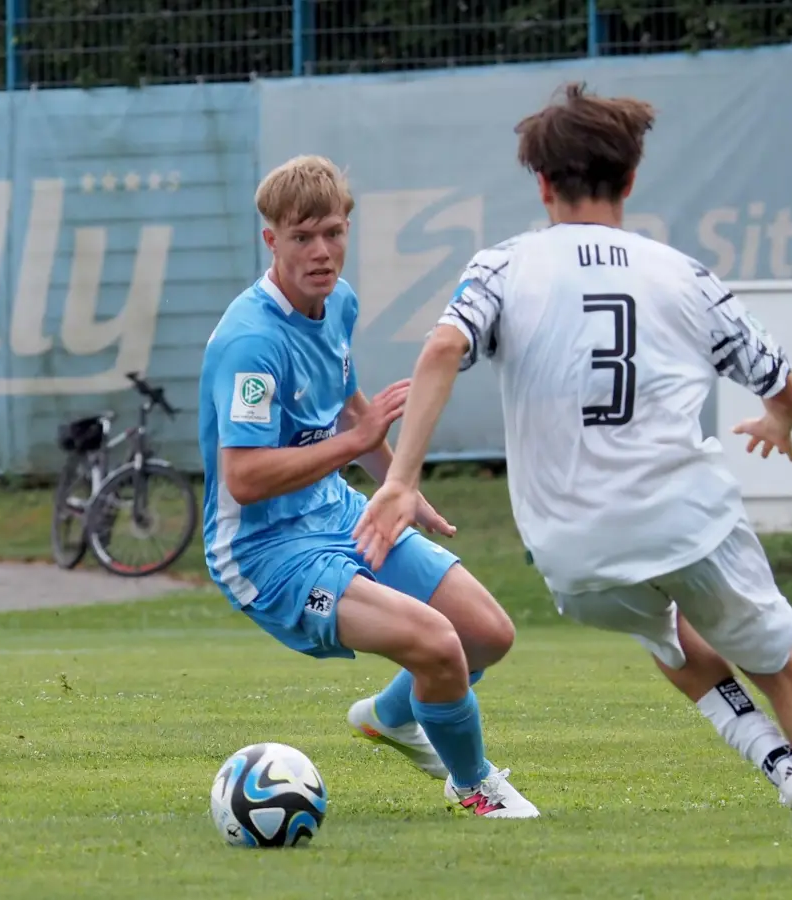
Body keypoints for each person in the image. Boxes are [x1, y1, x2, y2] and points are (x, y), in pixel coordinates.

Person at [352, 83, 792, 870]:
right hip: (687, 517)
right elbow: (784, 387)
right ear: (630, 182)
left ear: (543, 185)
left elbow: (442, 350)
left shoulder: (503, 265)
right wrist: (781, 424)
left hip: (572, 550)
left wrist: (401, 480)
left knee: (666, 634)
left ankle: (775, 761)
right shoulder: (684, 275)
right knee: (778, 665)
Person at [197, 154, 537, 818]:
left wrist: (397, 487)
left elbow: (349, 404)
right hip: (266, 553)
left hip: (338, 512)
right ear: (272, 241)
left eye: (332, 232)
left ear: (348, 228)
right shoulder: (251, 344)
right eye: (302, 238)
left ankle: (388, 716)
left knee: (486, 634)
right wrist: (354, 446)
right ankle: (475, 788)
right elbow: (243, 476)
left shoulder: (337, 303)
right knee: (437, 645)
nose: (321, 252)